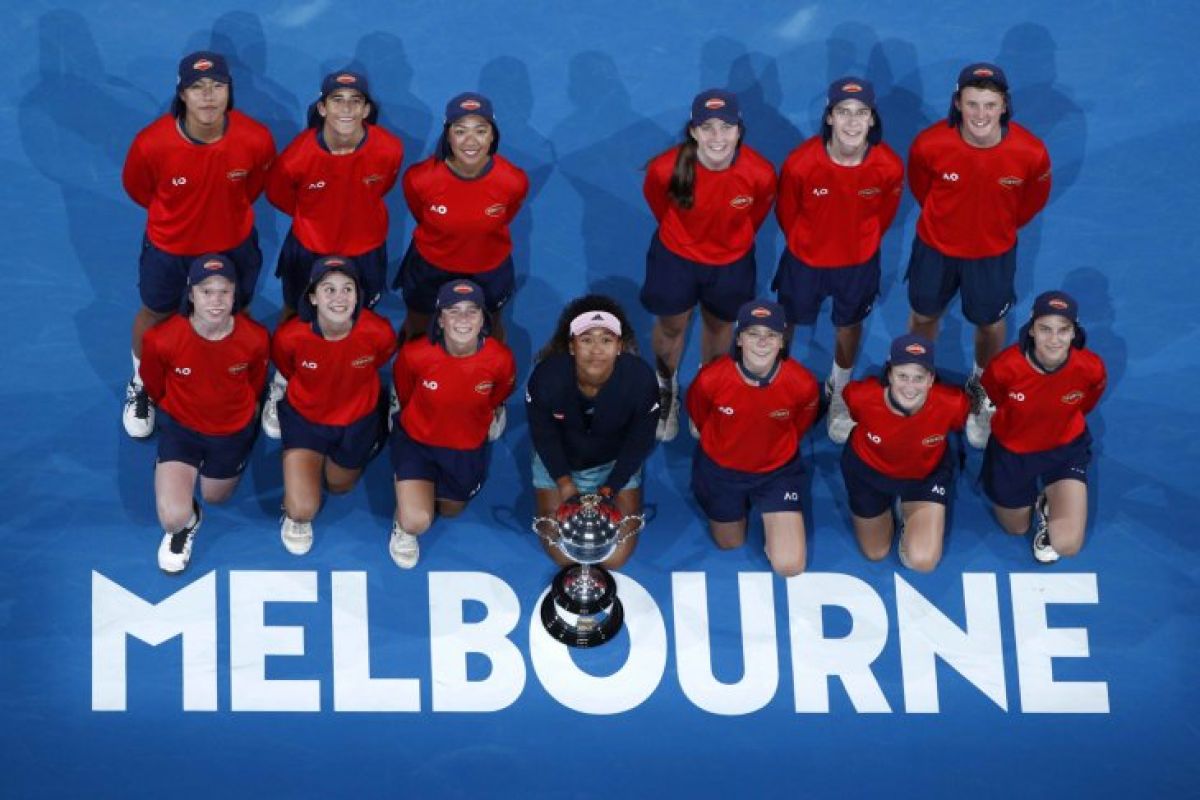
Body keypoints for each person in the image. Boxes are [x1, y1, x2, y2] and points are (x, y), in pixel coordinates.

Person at [121, 51, 275, 439]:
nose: (208, 96)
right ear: (182, 95)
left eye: (217, 86)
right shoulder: (151, 144)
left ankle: (235, 377)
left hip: (233, 248)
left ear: (229, 91)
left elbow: (254, 186)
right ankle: (141, 382)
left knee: (237, 313)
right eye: (197, 87)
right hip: (170, 249)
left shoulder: (255, 139)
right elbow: (139, 190)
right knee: (155, 314)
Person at [905, 62, 1052, 448]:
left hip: (992, 256)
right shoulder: (930, 144)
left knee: (988, 324)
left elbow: (1030, 203)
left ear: (1004, 106)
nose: (981, 114)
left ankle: (982, 387)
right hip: (935, 249)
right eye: (972, 104)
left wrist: (993, 228)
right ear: (958, 103)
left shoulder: (1031, 152)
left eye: (990, 104)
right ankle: (918, 379)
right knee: (923, 316)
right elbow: (922, 189)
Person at [261, 69, 404, 439]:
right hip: (309, 250)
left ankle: (356, 374)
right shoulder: (297, 156)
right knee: (295, 311)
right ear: (322, 107)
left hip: (366, 252)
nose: (346, 109)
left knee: (360, 315)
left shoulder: (389, 148)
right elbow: (279, 194)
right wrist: (316, 217)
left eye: (355, 102)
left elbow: (383, 184)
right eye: (337, 101)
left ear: (367, 109)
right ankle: (284, 378)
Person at [641, 89, 777, 441]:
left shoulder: (760, 173)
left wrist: (728, 242)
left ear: (739, 130)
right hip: (676, 260)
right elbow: (659, 203)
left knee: (720, 330)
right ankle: (665, 389)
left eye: (727, 127)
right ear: (694, 131)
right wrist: (686, 239)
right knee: (671, 329)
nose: (718, 138)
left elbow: (755, 215)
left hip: (731, 265)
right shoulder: (664, 169)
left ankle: (707, 392)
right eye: (708, 127)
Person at [774, 77, 904, 444]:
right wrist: (809, 243)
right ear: (829, 117)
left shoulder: (889, 166)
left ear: (872, 119)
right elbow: (786, 213)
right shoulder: (801, 163)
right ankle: (776, 387)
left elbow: (885, 214)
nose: (851, 122)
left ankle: (839, 388)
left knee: (849, 325)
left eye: (861, 113)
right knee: (787, 323)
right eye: (843, 112)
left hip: (858, 264)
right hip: (804, 262)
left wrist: (856, 243)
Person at [139, 255, 269, 574]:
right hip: (182, 431)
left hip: (231, 433)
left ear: (235, 294)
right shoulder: (162, 339)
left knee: (216, 497)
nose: (216, 300)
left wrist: (241, 414)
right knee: (172, 517)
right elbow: (155, 385)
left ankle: (206, 485)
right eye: (206, 291)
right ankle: (187, 519)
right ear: (191, 294)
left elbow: (255, 382)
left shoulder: (255, 338)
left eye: (224, 291)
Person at [270, 256, 397, 555]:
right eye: (329, 289)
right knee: (302, 508)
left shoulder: (378, 331)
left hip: (357, 421)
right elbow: (287, 367)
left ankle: (377, 428)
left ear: (358, 294)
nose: (339, 298)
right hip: (305, 421)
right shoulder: (291, 336)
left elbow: (382, 358)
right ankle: (295, 510)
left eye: (347, 289)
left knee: (340, 486)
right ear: (313, 297)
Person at [388, 279, 516, 568]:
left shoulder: (500, 358)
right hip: (416, 441)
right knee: (417, 521)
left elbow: (501, 391)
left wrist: (486, 410)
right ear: (440, 318)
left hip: (466, 447)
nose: (463, 319)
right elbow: (405, 389)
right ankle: (402, 521)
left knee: (450, 510)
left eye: (472, 310)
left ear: (483, 318)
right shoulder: (416, 354)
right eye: (453, 311)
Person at [686, 300, 819, 576]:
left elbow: (801, 423)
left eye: (771, 335)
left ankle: (773, 513)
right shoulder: (711, 379)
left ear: (781, 342)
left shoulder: (802, 383)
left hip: (776, 474)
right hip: (720, 472)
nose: (762, 342)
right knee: (729, 543)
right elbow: (699, 416)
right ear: (739, 339)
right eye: (753, 334)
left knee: (790, 565)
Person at [525, 296, 659, 569]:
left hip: (613, 463)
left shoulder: (641, 381)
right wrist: (564, 482)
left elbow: (639, 441)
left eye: (606, 340)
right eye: (586, 340)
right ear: (572, 345)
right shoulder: (546, 378)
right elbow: (544, 435)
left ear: (619, 346)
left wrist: (611, 487)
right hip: (559, 462)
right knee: (564, 555)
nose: (596, 349)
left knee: (616, 557)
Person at [980, 291, 1106, 563]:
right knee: (1016, 528)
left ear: (1074, 332)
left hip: (1065, 450)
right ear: (1032, 329)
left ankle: (1051, 506)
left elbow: (1085, 403)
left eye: (1063, 330)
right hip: (1012, 455)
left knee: (1068, 545)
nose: (1054, 339)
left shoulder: (1090, 367)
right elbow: (997, 397)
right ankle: (1042, 501)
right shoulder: (1005, 367)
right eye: (1045, 329)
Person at [839, 334, 969, 572]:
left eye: (919, 378)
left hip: (925, 476)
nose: (910, 386)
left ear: (931, 379)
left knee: (922, 560)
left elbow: (957, 423)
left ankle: (910, 511)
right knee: (875, 552)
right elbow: (854, 413)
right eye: (902, 376)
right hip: (868, 474)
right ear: (889, 374)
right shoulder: (861, 396)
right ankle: (896, 509)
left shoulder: (952, 404)